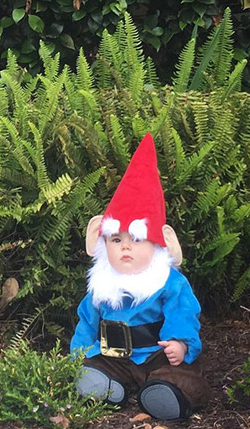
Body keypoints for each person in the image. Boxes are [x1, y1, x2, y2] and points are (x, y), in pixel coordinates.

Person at [70, 133, 211, 420]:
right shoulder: (102, 284)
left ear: (157, 243)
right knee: (94, 366)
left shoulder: (167, 281)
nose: (124, 247)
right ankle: (104, 385)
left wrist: (180, 343)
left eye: (135, 239)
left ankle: (166, 393)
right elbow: (87, 321)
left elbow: (183, 313)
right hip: (115, 357)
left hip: (157, 355)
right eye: (115, 240)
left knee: (180, 374)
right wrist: (78, 354)